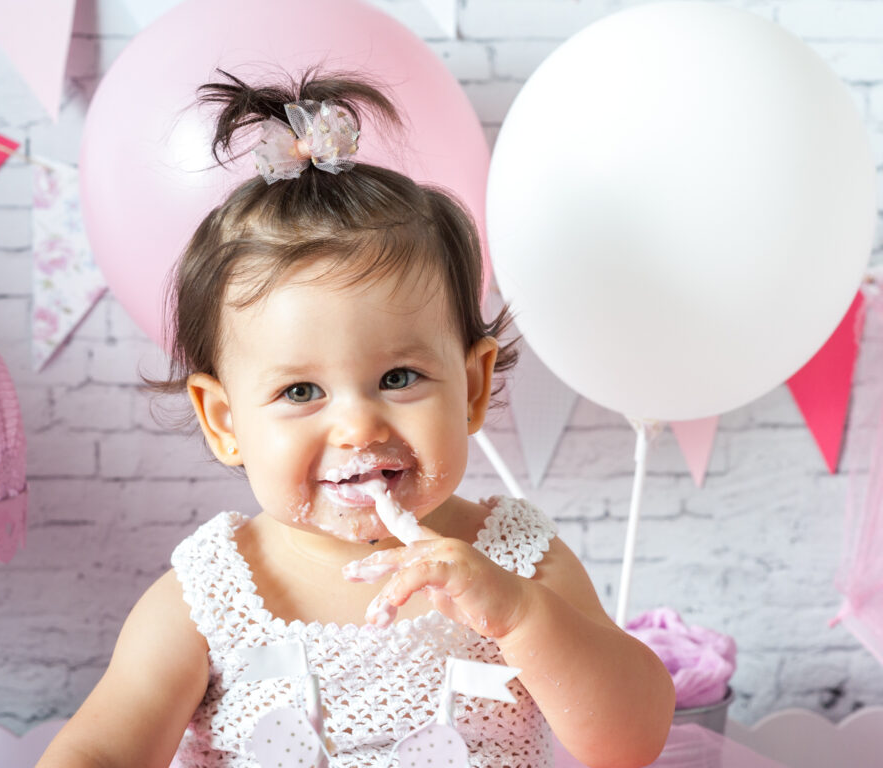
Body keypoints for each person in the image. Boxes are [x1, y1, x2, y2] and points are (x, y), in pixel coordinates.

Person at [36, 70, 675, 768]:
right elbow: (99, 750)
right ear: (224, 421)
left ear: (471, 387)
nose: (358, 428)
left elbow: (630, 741)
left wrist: (519, 616)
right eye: (302, 391)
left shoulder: (515, 562)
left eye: (398, 379)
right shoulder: (207, 597)